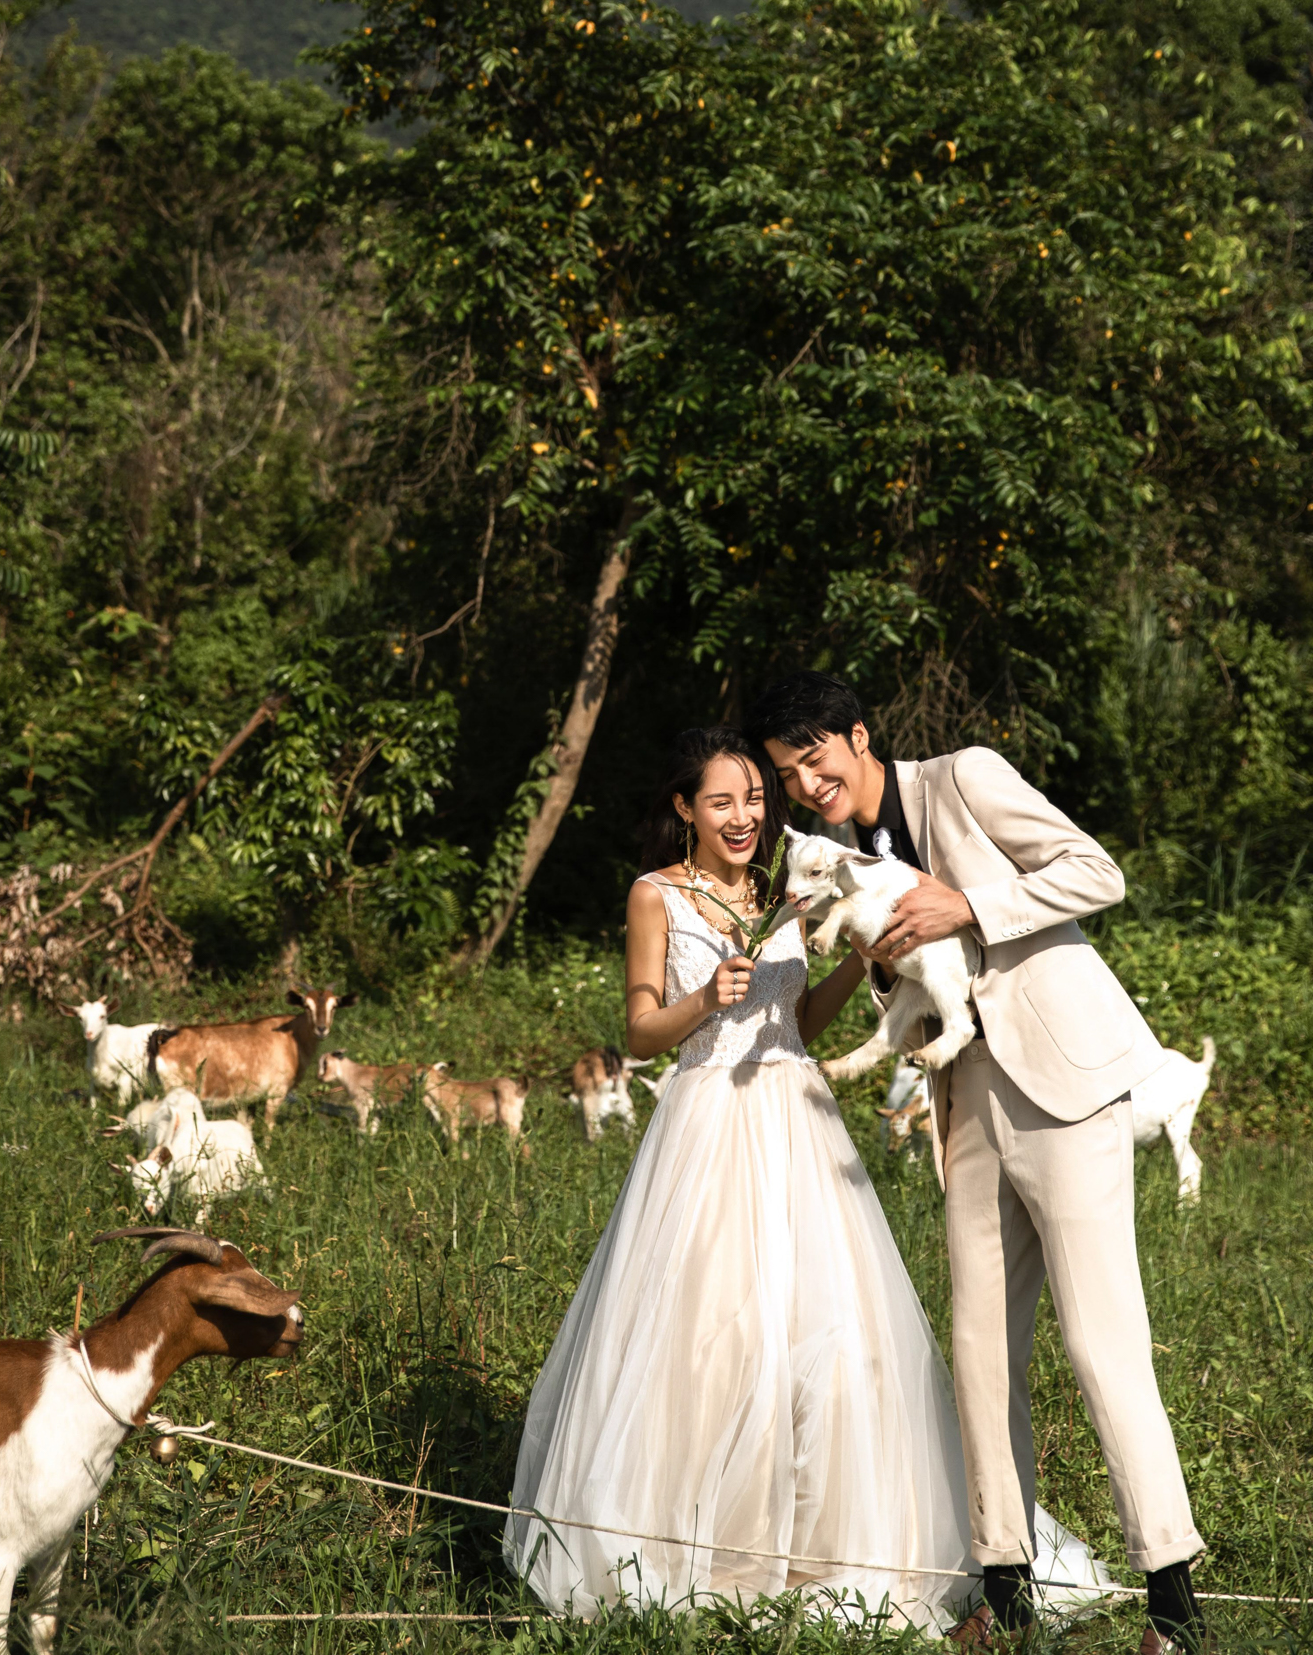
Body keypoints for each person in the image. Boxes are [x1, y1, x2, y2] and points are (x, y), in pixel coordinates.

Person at [503, 725, 1105, 1631]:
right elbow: (638, 1033)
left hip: (796, 1115)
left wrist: (860, 965)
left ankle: (827, 1540)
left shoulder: (790, 888)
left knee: (830, 1336)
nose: (743, 816)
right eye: (721, 802)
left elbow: (799, 1021)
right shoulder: (654, 895)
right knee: (710, 1335)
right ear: (685, 809)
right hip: (707, 1126)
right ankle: (701, 1540)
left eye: (754, 798)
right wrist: (704, 999)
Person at [750, 671, 1206, 1654]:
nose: (807, 785)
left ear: (857, 736)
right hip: (963, 1098)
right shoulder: (834, 859)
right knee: (978, 1354)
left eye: (814, 759)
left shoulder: (963, 777)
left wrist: (965, 904)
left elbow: (1096, 872)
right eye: (787, 774)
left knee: (1101, 1343)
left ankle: (1174, 1604)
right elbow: (907, 989)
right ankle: (1006, 1592)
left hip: (1065, 1086)